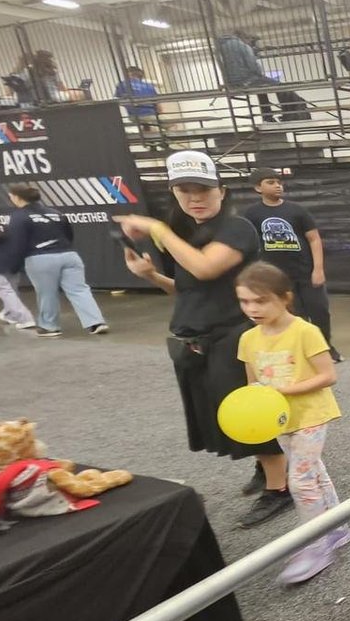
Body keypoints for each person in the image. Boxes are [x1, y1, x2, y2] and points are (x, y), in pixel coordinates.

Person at [114, 151, 287, 521]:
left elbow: (206, 268)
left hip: (235, 337)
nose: (195, 198)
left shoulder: (237, 228)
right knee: (222, 412)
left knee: (249, 411)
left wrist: (158, 229)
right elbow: (189, 288)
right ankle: (266, 469)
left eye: (204, 190)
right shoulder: (190, 236)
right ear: (175, 194)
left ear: (221, 191)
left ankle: (280, 487)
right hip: (199, 339)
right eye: (185, 191)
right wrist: (150, 275)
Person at [235, 262, 350, 582]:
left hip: (311, 415)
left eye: (261, 301)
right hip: (280, 419)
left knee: (300, 480)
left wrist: (281, 391)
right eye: (244, 301)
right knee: (314, 472)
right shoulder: (248, 339)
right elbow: (252, 384)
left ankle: (315, 545)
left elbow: (328, 375)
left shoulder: (305, 332)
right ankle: (337, 528)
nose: (252, 309)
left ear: (285, 297)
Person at [243, 168, 340, 361]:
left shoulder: (297, 210)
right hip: (278, 277)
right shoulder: (252, 213)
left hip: (306, 272)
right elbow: (250, 243)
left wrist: (318, 269)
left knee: (319, 310)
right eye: (271, 182)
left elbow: (314, 239)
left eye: (279, 182)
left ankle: (326, 347)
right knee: (294, 314)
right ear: (258, 188)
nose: (277, 186)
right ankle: (301, 350)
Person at [5, 185, 109, 337]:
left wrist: (13, 265)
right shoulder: (55, 213)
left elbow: (17, 243)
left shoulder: (19, 216)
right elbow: (69, 234)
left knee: (47, 292)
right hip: (69, 255)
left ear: (17, 197)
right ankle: (96, 322)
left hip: (40, 258)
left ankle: (49, 327)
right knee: (79, 290)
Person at [216, 30, 309, 122]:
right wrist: (256, 60)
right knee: (280, 86)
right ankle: (289, 113)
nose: (253, 45)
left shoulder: (221, 47)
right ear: (247, 39)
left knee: (261, 90)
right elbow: (253, 67)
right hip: (247, 79)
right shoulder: (243, 46)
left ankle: (267, 116)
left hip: (232, 83)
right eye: (253, 43)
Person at [114, 65, 161, 143]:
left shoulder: (121, 85)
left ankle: (149, 141)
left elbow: (119, 101)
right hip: (150, 114)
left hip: (133, 116)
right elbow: (159, 106)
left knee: (146, 125)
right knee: (172, 124)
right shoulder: (149, 86)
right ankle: (168, 139)